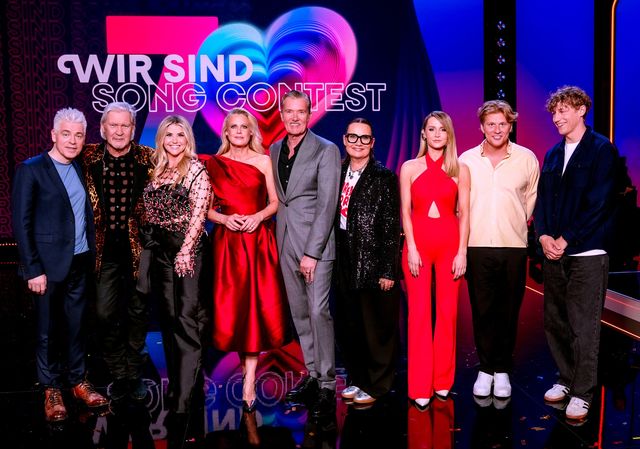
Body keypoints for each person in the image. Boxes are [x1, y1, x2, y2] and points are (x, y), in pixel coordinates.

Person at [12, 107, 108, 422]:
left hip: (80, 261)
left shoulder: (81, 167)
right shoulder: (32, 169)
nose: (72, 140)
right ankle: (51, 389)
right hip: (46, 267)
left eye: (78, 135)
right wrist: (33, 269)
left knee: (78, 327)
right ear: (53, 134)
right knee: (46, 331)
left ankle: (78, 381)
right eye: (66, 134)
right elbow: (22, 224)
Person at [534, 86, 618, 421]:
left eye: (564, 110)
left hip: (587, 253)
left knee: (584, 327)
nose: (557, 118)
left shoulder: (601, 150)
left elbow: (599, 203)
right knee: (556, 322)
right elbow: (542, 200)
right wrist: (543, 236)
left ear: (582, 110)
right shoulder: (553, 154)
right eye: (554, 112)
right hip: (554, 253)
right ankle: (566, 379)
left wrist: (566, 239)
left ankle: (583, 393)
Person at [206, 108, 290, 412]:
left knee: (254, 308)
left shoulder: (264, 161)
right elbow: (205, 208)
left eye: (244, 126)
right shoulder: (214, 164)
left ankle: (250, 379)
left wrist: (258, 217)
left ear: (252, 131)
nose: (239, 131)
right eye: (234, 127)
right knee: (236, 310)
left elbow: (276, 202)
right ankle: (245, 372)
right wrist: (224, 219)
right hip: (227, 244)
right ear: (226, 132)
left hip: (257, 243)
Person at [458, 100, 539, 399]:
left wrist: (513, 222)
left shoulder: (526, 158)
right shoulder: (466, 159)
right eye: (491, 124)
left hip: (513, 246)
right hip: (477, 244)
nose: (496, 129)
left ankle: (502, 369)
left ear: (510, 125)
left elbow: (530, 200)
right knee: (482, 310)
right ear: (482, 127)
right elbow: (460, 205)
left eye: (502, 124)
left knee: (508, 310)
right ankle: (486, 368)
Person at [270, 90, 341, 418]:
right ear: (282, 114)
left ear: (309, 114)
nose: (295, 117)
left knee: (317, 311)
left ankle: (327, 383)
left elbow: (327, 204)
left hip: (316, 246)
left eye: (301, 111)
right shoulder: (274, 149)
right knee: (299, 313)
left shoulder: (326, 149)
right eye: (289, 111)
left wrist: (312, 252)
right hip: (285, 241)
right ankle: (312, 374)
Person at [143, 115, 212, 447]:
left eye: (180, 135)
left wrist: (185, 251)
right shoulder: (155, 171)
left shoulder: (196, 170)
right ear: (161, 139)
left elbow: (199, 214)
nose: (174, 140)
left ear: (188, 140)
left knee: (187, 322)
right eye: (168, 134)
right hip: (160, 253)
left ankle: (184, 401)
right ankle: (181, 390)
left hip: (188, 251)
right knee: (169, 322)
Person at [81, 102, 154, 402]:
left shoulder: (150, 157)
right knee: (104, 313)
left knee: (138, 311)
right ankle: (117, 369)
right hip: (103, 251)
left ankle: (133, 373)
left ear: (133, 130)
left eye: (125, 125)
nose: (119, 131)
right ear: (102, 128)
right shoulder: (87, 156)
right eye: (114, 125)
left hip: (140, 250)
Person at [400, 111, 470, 410]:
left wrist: (462, 252)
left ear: (449, 134)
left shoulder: (460, 169)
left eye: (443, 129)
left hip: (450, 246)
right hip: (418, 246)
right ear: (423, 134)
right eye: (432, 129)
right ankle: (419, 384)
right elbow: (405, 211)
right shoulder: (409, 167)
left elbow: (464, 213)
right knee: (418, 314)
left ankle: (442, 380)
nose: (437, 134)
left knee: (447, 313)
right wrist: (412, 247)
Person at [334, 118, 401, 407]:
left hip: (373, 259)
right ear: (345, 140)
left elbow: (391, 226)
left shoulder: (383, 177)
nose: (358, 143)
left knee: (377, 327)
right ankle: (358, 378)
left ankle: (378, 384)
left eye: (365, 138)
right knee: (351, 326)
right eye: (353, 137)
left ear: (372, 143)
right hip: (343, 258)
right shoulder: (336, 172)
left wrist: (388, 269)